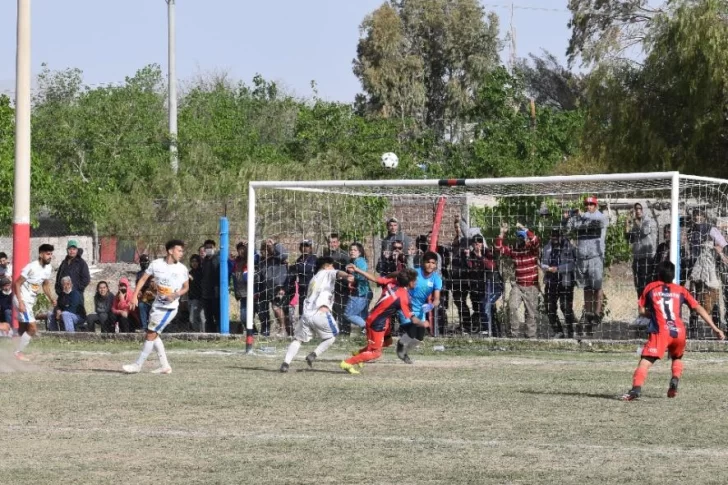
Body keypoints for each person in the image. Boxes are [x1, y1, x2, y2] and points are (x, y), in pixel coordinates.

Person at [621, 261, 725, 401]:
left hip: (661, 331)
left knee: (645, 360)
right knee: (677, 357)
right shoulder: (681, 290)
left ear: (658, 274)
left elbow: (641, 311)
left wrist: (652, 314)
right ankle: (675, 379)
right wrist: (715, 328)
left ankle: (635, 389)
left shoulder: (650, 288)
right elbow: (698, 308)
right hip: (679, 331)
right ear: (673, 275)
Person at [339, 268, 426, 374]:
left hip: (383, 320)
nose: (416, 282)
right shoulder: (403, 297)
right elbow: (413, 319)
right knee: (376, 353)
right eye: (415, 280)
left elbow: (375, 279)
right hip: (376, 323)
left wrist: (357, 269)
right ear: (410, 282)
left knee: (387, 342)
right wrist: (424, 323)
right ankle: (347, 362)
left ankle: (358, 354)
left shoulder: (390, 282)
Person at [123, 240, 189, 374]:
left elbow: (186, 287)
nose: (181, 253)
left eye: (182, 251)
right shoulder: (156, 264)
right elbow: (142, 280)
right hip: (157, 305)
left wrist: (175, 294)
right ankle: (165, 366)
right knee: (154, 334)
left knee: (151, 334)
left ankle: (137, 365)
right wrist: (135, 295)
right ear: (170, 251)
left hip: (169, 308)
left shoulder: (182, 269)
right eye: (179, 250)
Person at [279, 257, 350, 372]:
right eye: (331, 265)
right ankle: (313, 354)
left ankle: (286, 363)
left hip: (306, 314)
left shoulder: (314, 278)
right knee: (332, 336)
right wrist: (347, 275)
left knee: (298, 340)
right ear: (326, 266)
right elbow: (337, 273)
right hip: (320, 312)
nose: (333, 267)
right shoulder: (327, 272)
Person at [562, 196, 609, 337]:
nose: (589, 206)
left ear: (596, 205)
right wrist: (567, 218)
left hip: (595, 258)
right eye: (587, 204)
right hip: (582, 259)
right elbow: (567, 229)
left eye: (591, 204)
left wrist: (582, 215)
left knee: (597, 287)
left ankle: (596, 313)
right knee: (586, 288)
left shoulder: (601, 216)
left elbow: (600, 222)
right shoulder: (579, 218)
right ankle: (588, 314)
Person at [495, 222, 541, 339]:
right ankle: (514, 336)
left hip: (531, 286)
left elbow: (535, 239)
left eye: (522, 238)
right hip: (519, 285)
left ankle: (530, 337)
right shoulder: (514, 250)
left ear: (526, 239)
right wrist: (502, 233)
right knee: (512, 307)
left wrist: (523, 228)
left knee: (531, 313)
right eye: (518, 237)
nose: (520, 240)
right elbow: (498, 248)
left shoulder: (533, 250)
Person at [12, 244, 56, 361]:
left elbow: (45, 284)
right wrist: (20, 302)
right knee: (32, 328)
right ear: (41, 254)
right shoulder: (31, 267)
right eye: (47, 254)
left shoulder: (48, 268)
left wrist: (51, 298)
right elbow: (17, 283)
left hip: (29, 302)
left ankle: (12, 351)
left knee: (23, 328)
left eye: (51, 254)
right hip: (22, 300)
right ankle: (18, 352)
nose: (50, 256)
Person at [397, 251, 442, 364]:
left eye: (433, 263)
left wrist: (431, 305)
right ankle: (400, 345)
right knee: (412, 331)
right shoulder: (415, 273)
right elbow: (402, 286)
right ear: (423, 262)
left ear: (436, 264)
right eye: (428, 262)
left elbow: (437, 299)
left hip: (420, 310)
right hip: (407, 307)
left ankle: (404, 352)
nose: (430, 265)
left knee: (419, 338)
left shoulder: (436, 279)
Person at [540, 229, 577, 338]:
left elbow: (573, 264)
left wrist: (558, 269)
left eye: (556, 236)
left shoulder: (570, 247)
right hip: (551, 281)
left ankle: (570, 331)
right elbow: (542, 263)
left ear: (561, 236)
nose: (554, 238)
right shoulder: (546, 248)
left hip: (565, 281)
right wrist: (547, 268)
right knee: (549, 307)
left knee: (565, 307)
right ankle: (558, 331)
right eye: (552, 236)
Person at [624, 202, 657, 298]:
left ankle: (649, 309)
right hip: (637, 258)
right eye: (636, 209)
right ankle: (641, 309)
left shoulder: (648, 220)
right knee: (638, 286)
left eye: (640, 208)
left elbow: (644, 231)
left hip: (647, 259)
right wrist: (627, 221)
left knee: (647, 285)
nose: (638, 211)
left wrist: (634, 219)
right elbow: (628, 237)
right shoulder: (635, 223)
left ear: (644, 209)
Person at [343, 242, 369, 331]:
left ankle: (368, 328)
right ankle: (368, 335)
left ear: (360, 252)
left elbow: (363, 276)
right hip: (364, 292)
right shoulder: (354, 261)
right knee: (363, 315)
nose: (352, 252)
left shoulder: (360, 261)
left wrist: (352, 274)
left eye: (355, 250)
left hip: (361, 293)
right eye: (351, 250)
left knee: (348, 314)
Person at [136, 254, 155, 331]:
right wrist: (139, 291)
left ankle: (153, 327)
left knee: (154, 309)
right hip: (143, 296)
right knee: (141, 305)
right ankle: (144, 327)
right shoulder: (139, 274)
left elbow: (155, 285)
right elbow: (138, 285)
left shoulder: (152, 273)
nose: (144, 263)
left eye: (145, 261)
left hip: (153, 295)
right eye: (142, 261)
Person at [187, 254, 205, 331]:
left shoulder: (202, 271)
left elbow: (200, 284)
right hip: (191, 298)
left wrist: (192, 279)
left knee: (195, 318)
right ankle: (200, 334)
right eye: (192, 261)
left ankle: (202, 334)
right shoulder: (190, 272)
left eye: (196, 261)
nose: (194, 263)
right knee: (197, 318)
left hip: (199, 298)